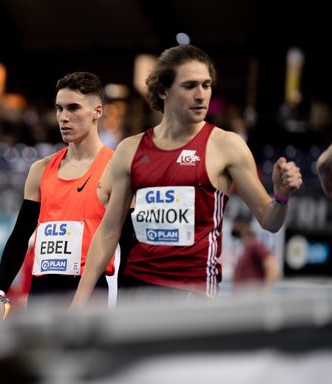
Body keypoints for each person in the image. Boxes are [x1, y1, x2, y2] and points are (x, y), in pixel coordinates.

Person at [71, 44, 302, 304]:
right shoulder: (130, 149)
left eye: (206, 85)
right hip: (134, 289)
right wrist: (79, 302)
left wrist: (281, 197)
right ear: (163, 90)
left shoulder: (226, 146)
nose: (201, 95)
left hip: (193, 293)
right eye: (190, 86)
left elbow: (270, 221)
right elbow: (108, 232)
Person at [0, 72, 134, 320]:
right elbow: (20, 236)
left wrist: (130, 305)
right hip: (42, 291)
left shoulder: (116, 170)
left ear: (97, 111)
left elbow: (129, 246)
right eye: (59, 109)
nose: (63, 117)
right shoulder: (41, 170)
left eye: (73, 108)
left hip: (90, 293)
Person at [231, 214, 280, 292]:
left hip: (252, 300)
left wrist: (264, 293)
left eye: (235, 224)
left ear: (242, 225)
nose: (233, 227)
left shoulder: (255, 245)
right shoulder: (245, 248)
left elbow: (273, 267)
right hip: (243, 301)